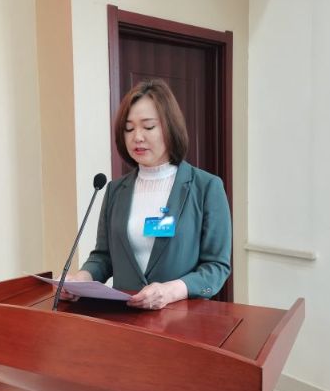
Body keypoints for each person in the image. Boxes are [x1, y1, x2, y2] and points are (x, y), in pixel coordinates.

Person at [64, 79, 231, 310]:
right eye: (129, 128)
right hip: (124, 318)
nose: (137, 137)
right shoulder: (115, 190)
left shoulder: (206, 187)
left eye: (148, 126)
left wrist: (171, 291)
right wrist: (81, 279)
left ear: (170, 127)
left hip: (183, 319)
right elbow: (104, 257)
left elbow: (216, 266)